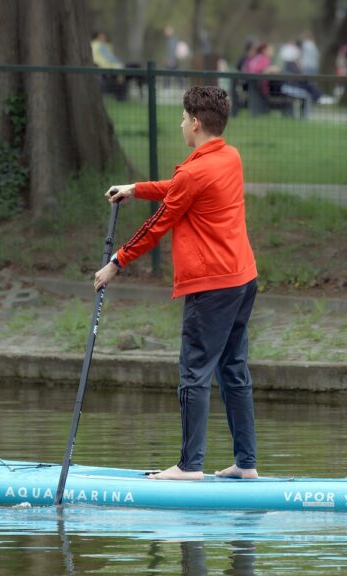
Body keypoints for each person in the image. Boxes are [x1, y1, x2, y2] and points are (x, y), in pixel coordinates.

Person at [94, 86, 259, 481]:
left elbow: (158, 225)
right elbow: (181, 190)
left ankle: (189, 467)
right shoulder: (228, 157)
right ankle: (246, 463)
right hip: (242, 279)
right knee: (233, 369)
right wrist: (137, 189)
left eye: (184, 118)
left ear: (196, 123)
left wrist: (117, 261)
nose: (181, 124)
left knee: (194, 371)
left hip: (212, 285)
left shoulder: (196, 170)